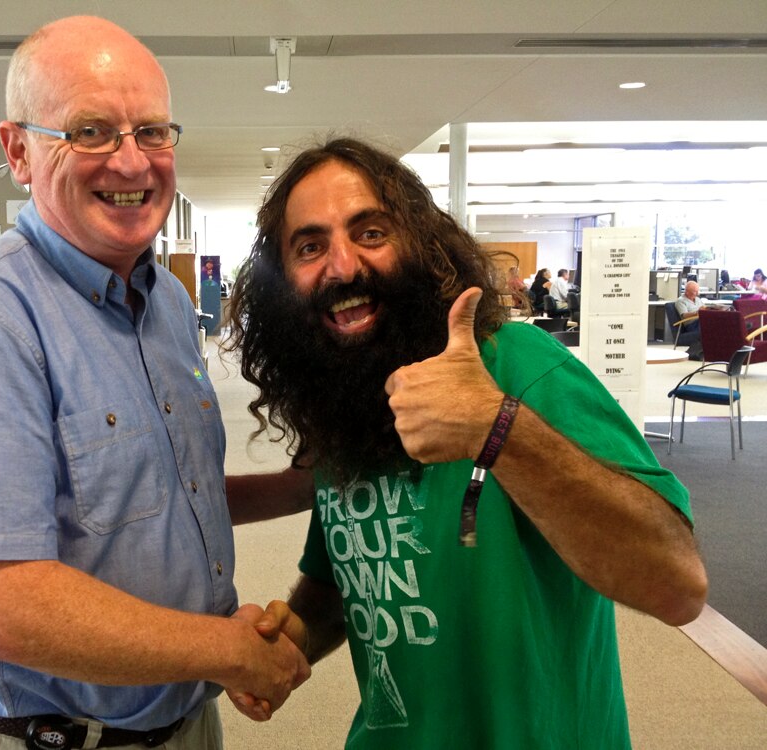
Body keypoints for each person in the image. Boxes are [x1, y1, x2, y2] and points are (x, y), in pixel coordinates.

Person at [0, 16, 312, 750]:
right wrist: (226, 649)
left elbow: (167, 496)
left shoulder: (169, 305)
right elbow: (5, 606)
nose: (131, 162)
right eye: (90, 131)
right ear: (19, 151)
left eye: (151, 131)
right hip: (41, 737)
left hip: (184, 723)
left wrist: (304, 485)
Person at [225, 137, 707, 749]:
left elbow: (677, 585)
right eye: (311, 246)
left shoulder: (521, 366)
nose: (342, 266)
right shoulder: (344, 403)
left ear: (422, 246)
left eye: (370, 233)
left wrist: (496, 428)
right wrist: (284, 644)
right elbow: (351, 585)